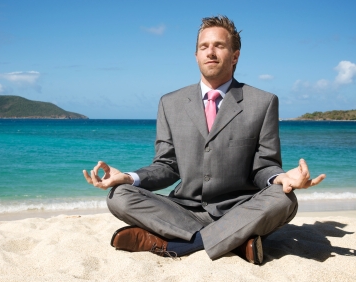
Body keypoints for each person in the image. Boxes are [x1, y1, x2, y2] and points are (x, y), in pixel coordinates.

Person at [83, 15, 326, 264]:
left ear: (235, 56)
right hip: (182, 209)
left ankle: (177, 244)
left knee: (283, 199)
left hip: (240, 209)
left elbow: (263, 166)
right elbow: (167, 166)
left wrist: (281, 177)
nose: (210, 52)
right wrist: (129, 177)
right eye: (203, 47)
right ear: (196, 55)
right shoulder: (170, 103)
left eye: (219, 45)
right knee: (120, 195)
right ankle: (236, 242)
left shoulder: (263, 102)